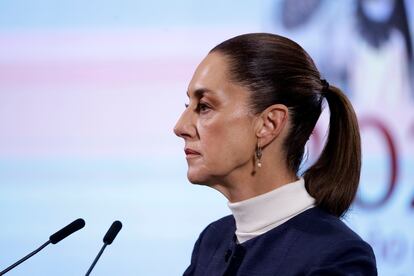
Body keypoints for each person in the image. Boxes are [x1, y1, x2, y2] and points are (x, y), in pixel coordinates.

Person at [173, 33, 377, 276]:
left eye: (204, 107)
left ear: (269, 124)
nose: (180, 127)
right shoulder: (211, 242)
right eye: (189, 107)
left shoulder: (336, 257)